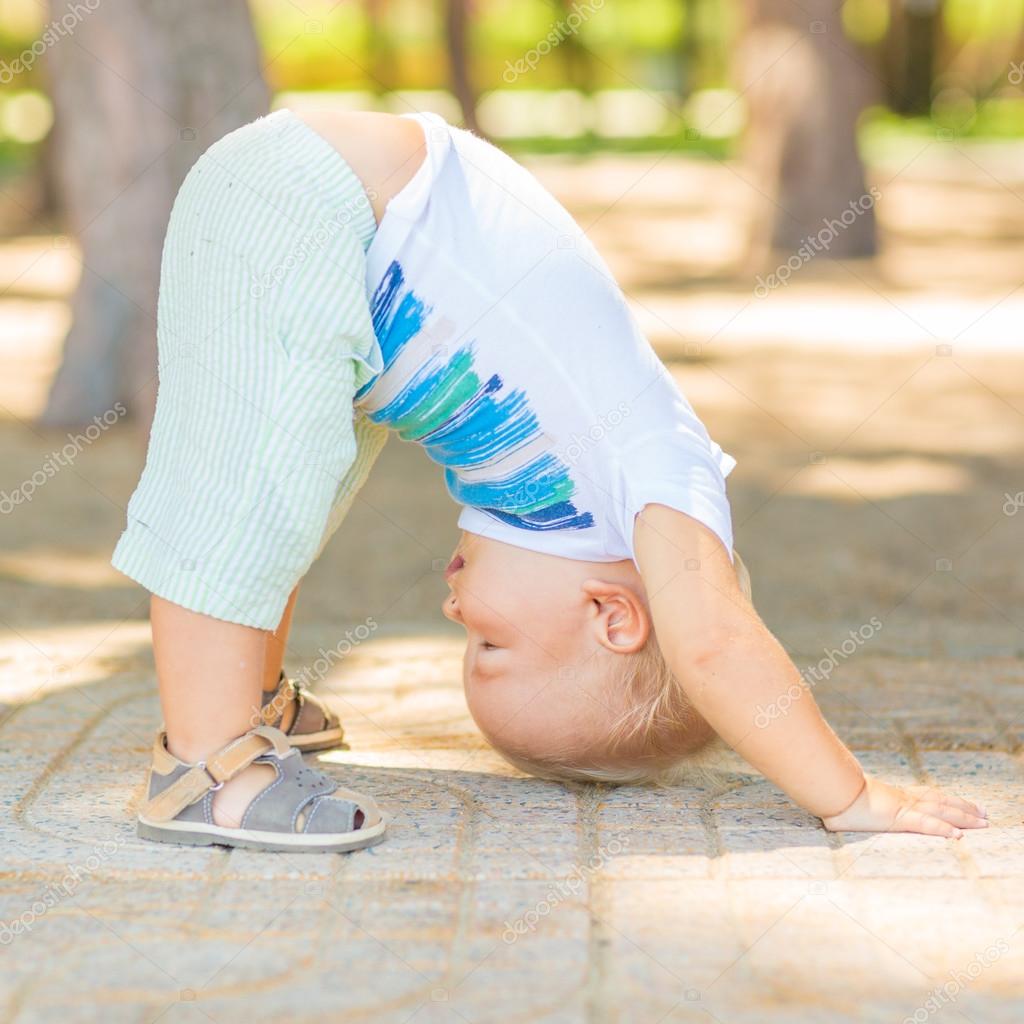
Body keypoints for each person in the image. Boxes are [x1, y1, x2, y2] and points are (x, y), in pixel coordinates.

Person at [113, 108, 988, 852]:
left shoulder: (588, 502)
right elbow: (716, 645)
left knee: (294, 486)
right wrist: (850, 797)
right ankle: (206, 762)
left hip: (332, 222)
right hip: (318, 207)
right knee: (249, 485)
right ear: (614, 615)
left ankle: (246, 695)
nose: (454, 612)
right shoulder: (656, 484)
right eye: (490, 645)